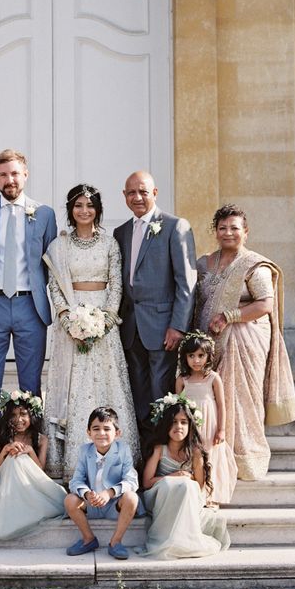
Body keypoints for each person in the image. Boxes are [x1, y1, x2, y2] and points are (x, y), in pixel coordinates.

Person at [195, 204, 295, 480]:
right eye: (222, 228)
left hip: (243, 340)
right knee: (210, 396)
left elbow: (265, 304)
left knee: (239, 396)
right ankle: (212, 455)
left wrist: (230, 316)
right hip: (208, 342)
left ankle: (244, 457)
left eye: (234, 228)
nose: (228, 233)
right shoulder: (203, 263)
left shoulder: (254, 264)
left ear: (246, 232)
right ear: (215, 231)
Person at [43, 183, 139, 481]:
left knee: (105, 381)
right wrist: (67, 318)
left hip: (103, 321)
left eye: (90, 205)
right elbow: (55, 286)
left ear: (98, 209)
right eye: (78, 206)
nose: (84, 211)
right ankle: (69, 458)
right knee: (73, 382)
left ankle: (114, 456)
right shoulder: (59, 246)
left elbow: (117, 285)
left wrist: (106, 321)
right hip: (70, 321)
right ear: (71, 210)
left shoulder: (109, 244)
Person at [0, 149, 57, 449]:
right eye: (3, 174)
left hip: (29, 306)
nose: (10, 180)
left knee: (30, 386)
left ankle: (31, 451)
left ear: (25, 175)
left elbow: (50, 261)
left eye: (15, 173)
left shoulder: (44, 214)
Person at [113, 171, 197, 433]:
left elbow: (187, 282)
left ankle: (161, 446)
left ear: (155, 193)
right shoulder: (121, 232)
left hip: (163, 327)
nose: (137, 197)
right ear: (124, 196)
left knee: (160, 389)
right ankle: (143, 448)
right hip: (131, 325)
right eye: (131, 192)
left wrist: (178, 326)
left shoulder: (175, 226)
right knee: (137, 389)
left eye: (143, 192)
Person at [141, 395, 229, 559]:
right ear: (166, 424)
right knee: (174, 483)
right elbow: (147, 483)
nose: (178, 426)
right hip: (161, 497)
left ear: (190, 425)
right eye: (173, 422)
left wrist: (183, 481)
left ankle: (185, 540)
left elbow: (199, 486)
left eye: (183, 422)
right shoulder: (160, 449)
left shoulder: (195, 452)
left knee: (188, 485)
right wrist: (174, 476)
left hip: (187, 498)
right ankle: (165, 538)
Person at [0, 390, 66, 539]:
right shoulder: (1, 437)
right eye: (13, 415)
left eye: (23, 414)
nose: (19, 419)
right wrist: (5, 450)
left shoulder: (41, 439)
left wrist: (30, 452)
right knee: (14, 458)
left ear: (31, 416)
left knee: (20, 457)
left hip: (31, 483)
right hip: (6, 481)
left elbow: (40, 470)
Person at [64, 406, 140, 560]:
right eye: (96, 429)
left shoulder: (123, 449)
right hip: (91, 503)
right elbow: (76, 480)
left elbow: (131, 480)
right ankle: (88, 539)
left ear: (117, 433)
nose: (101, 433)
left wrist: (109, 492)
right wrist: (86, 493)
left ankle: (115, 542)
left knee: (132, 497)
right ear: (89, 433)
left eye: (107, 429)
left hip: (114, 505)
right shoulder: (85, 451)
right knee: (70, 500)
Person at [175, 332, 237, 505]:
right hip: (190, 423)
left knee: (209, 455)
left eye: (201, 356)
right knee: (193, 455)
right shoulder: (182, 380)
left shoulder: (213, 378)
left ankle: (210, 494)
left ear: (209, 356)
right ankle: (195, 491)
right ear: (185, 358)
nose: (196, 360)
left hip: (209, 423)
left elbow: (221, 405)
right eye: (191, 356)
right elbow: (178, 406)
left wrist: (221, 429)